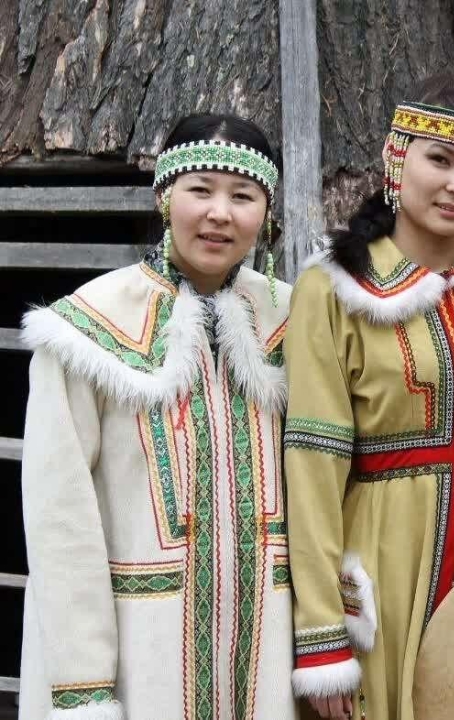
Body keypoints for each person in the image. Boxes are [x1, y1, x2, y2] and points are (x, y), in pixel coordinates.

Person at [19, 114, 294, 719]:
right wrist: (85, 688)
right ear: (165, 196)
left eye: (242, 196)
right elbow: (59, 520)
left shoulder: (295, 321)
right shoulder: (86, 329)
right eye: (201, 190)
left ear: (266, 212)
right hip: (140, 655)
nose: (219, 213)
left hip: (270, 652)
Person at [283, 76, 454, 720]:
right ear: (396, 157)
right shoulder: (333, 289)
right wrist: (321, 634)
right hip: (384, 560)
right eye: (439, 159)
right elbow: (312, 465)